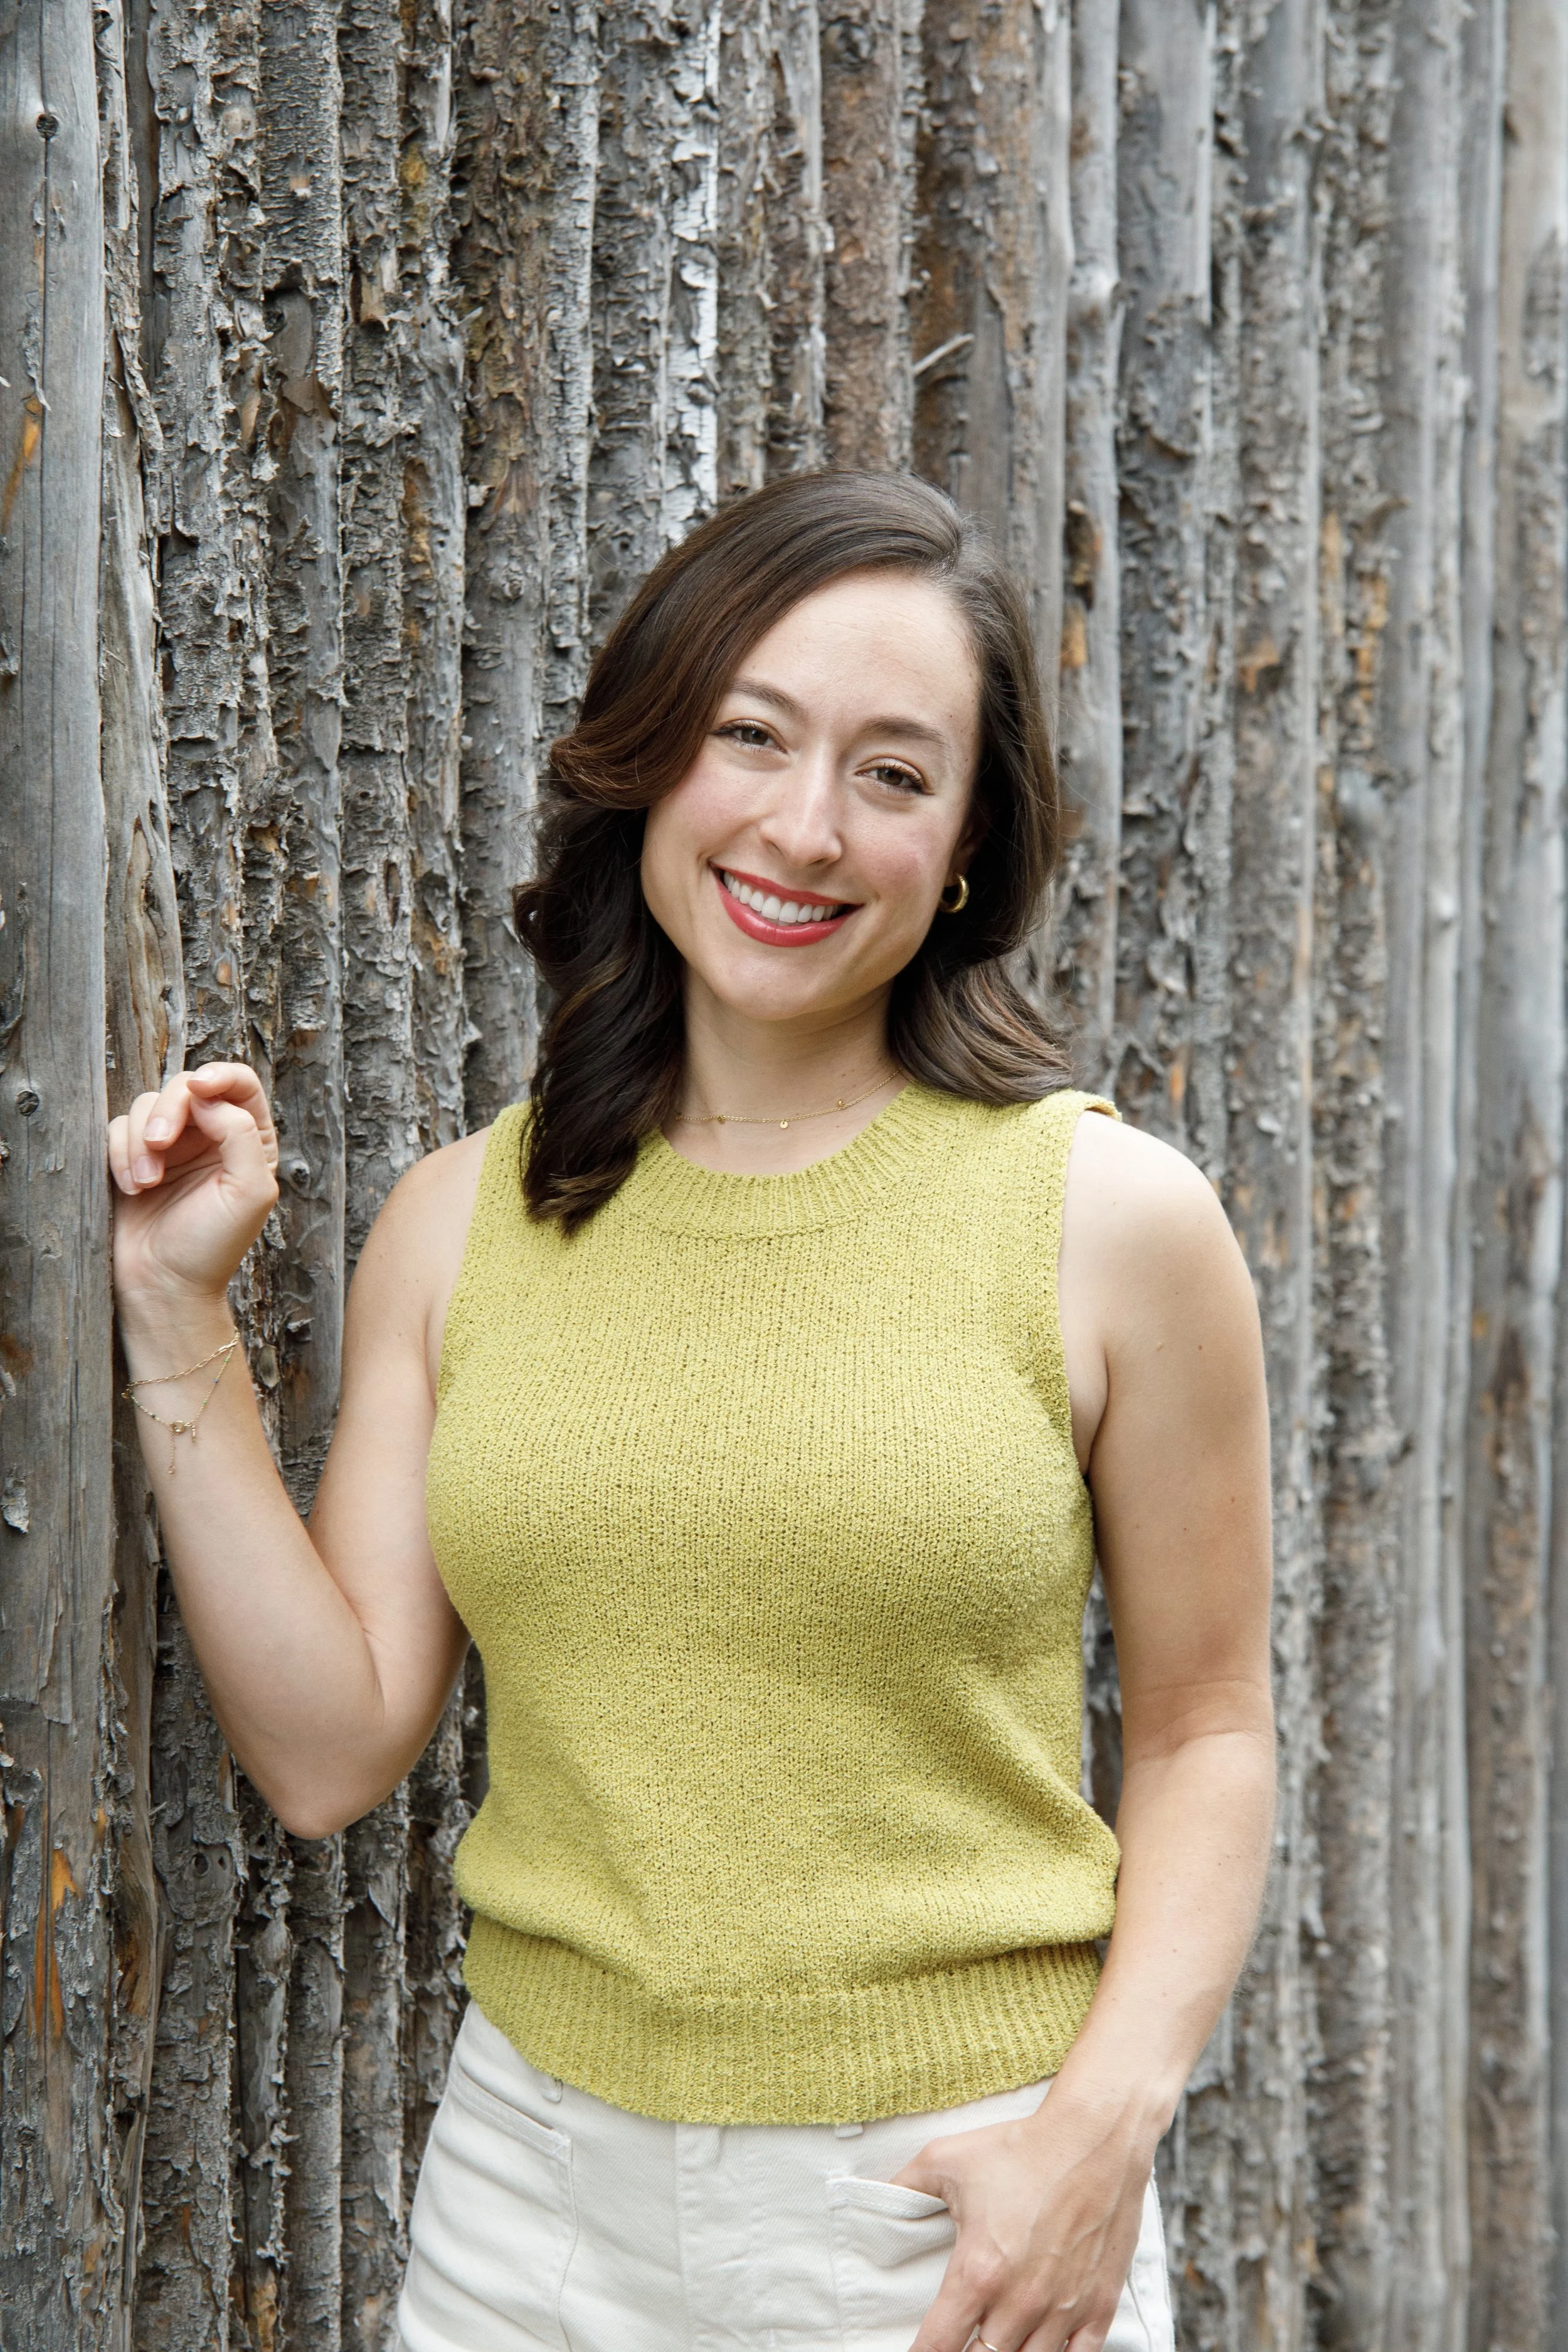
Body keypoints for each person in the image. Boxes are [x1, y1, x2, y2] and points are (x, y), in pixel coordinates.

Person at [110, 471, 1274, 2352]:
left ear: (966, 844)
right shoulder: (463, 1222)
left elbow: (1209, 1724)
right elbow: (329, 1748)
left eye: (892, 774)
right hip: (531, 2221)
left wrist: (1100, 2133)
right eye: (750, 736)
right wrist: (177, 1317)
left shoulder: (1109, 1222)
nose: (804, 828)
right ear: (649, 760)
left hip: (946, 2220)